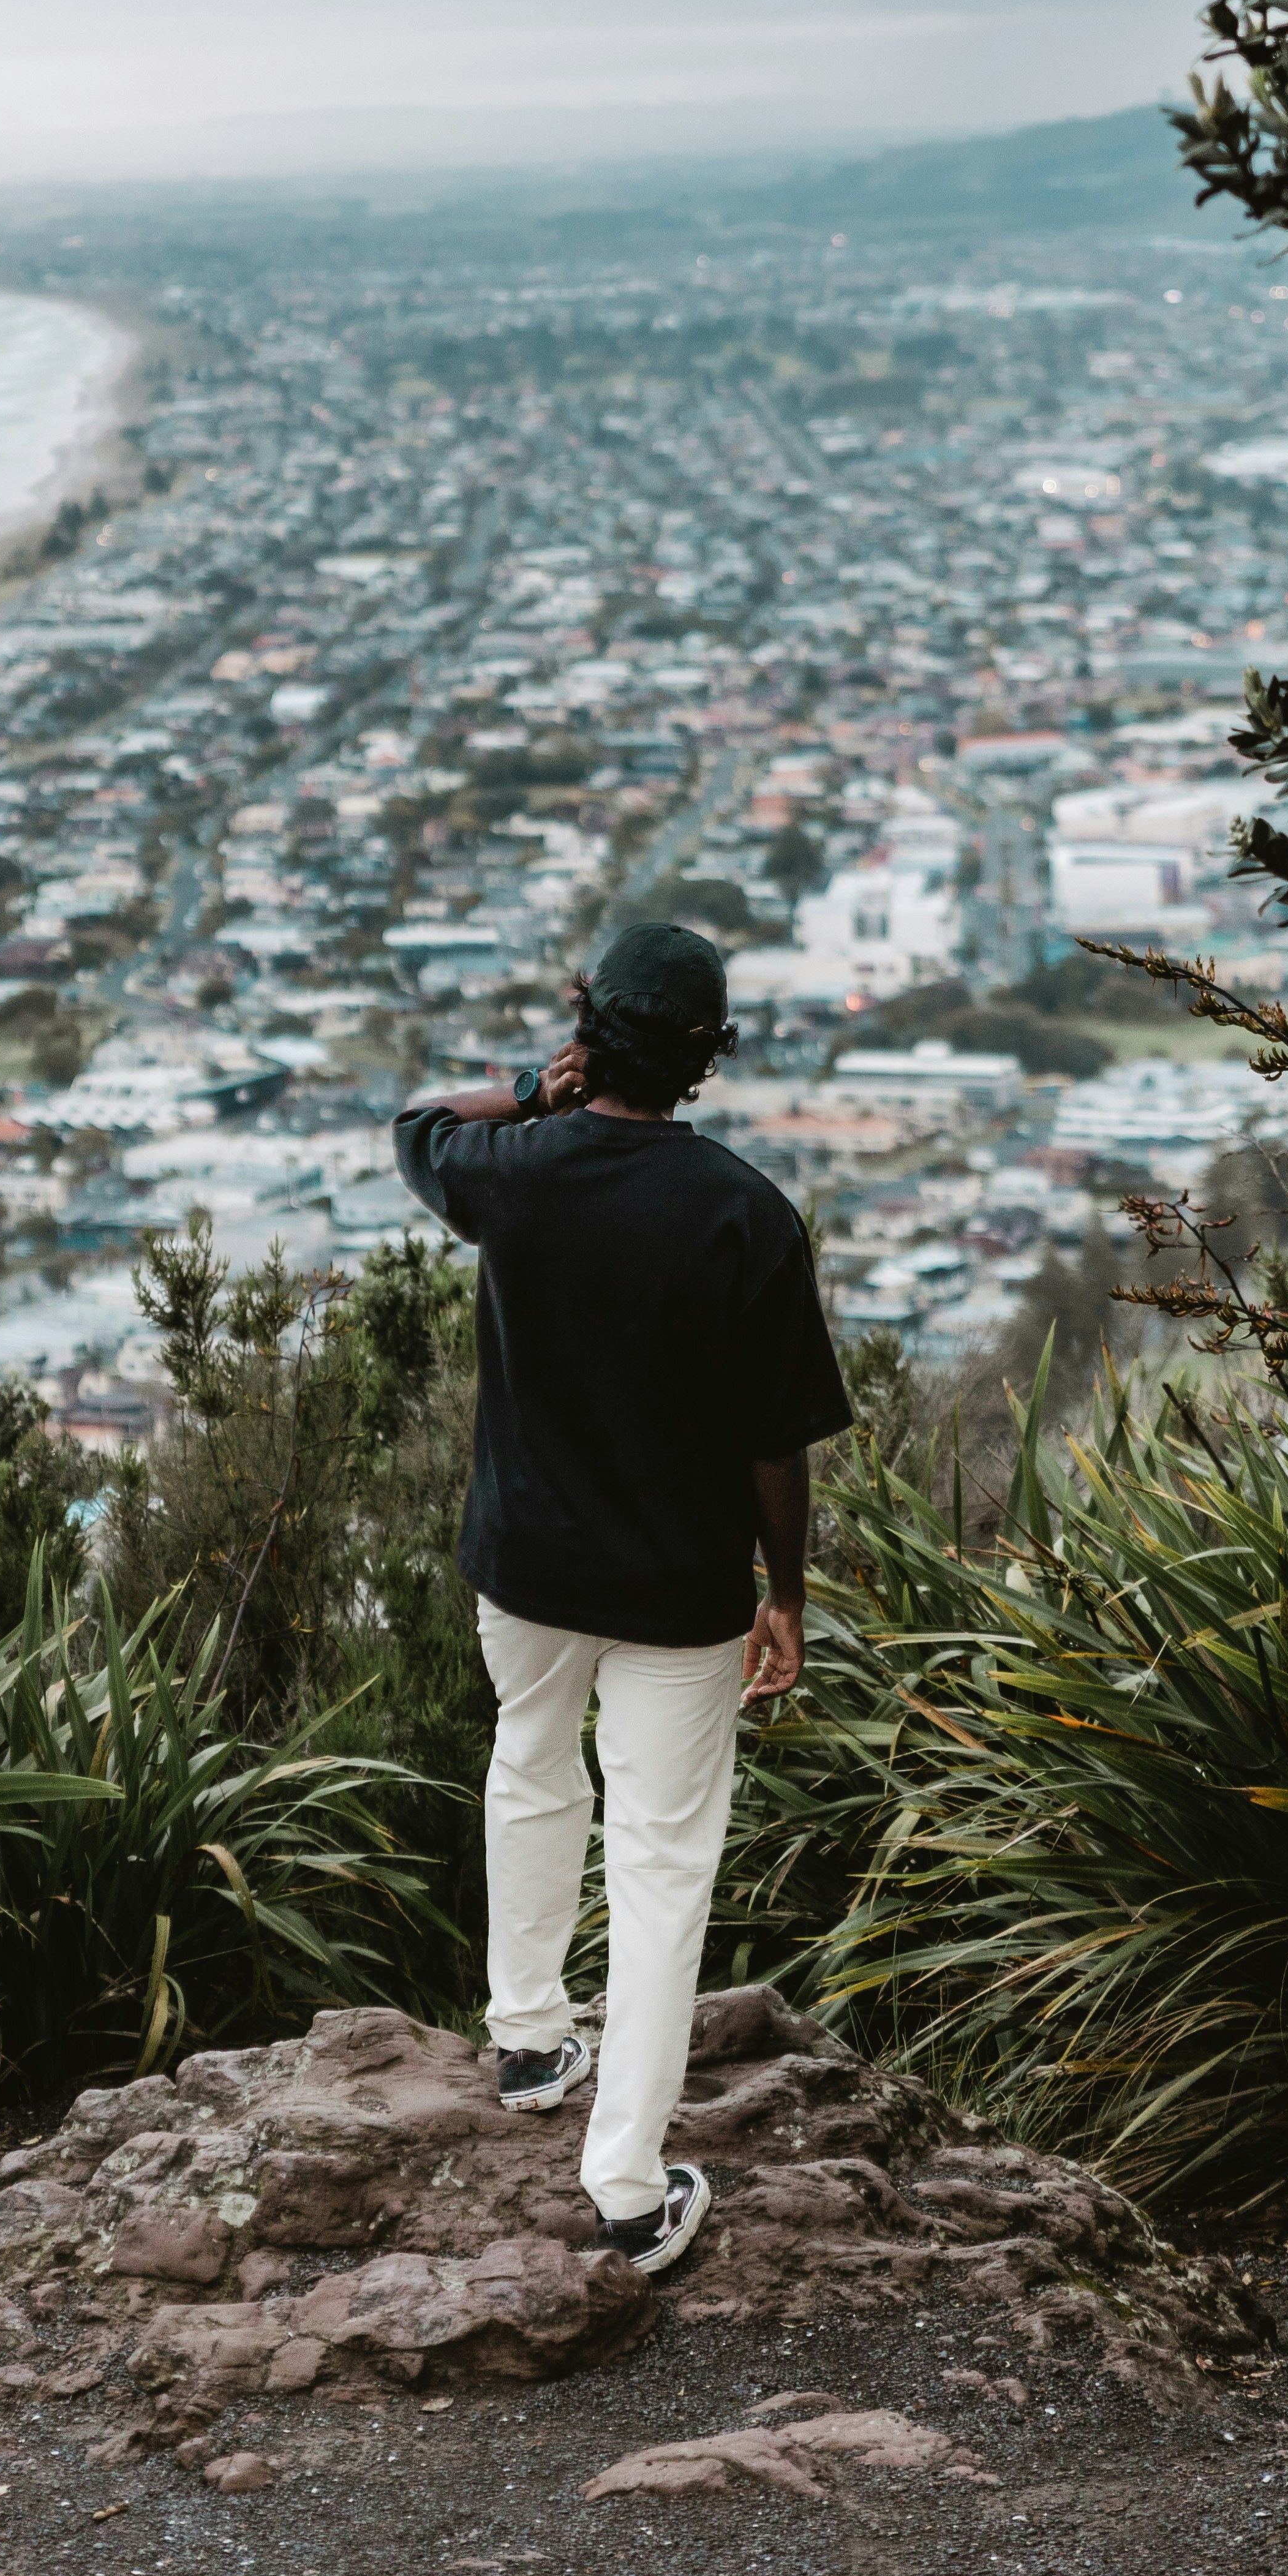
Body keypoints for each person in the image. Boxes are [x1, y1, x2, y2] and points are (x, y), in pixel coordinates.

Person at [391, 919, 853, 2272]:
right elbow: (778, 1443)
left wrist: (539, 1090)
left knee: (531, 1764)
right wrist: (788, 1595)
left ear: (589, 1029)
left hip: (525, 1568)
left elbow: (418, 1120)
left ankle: (528, 2039)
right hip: (679, 1590)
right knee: (661, 1868)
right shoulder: (744, 1214)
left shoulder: (512, 1174)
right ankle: (630, 2188)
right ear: (707, 1058)